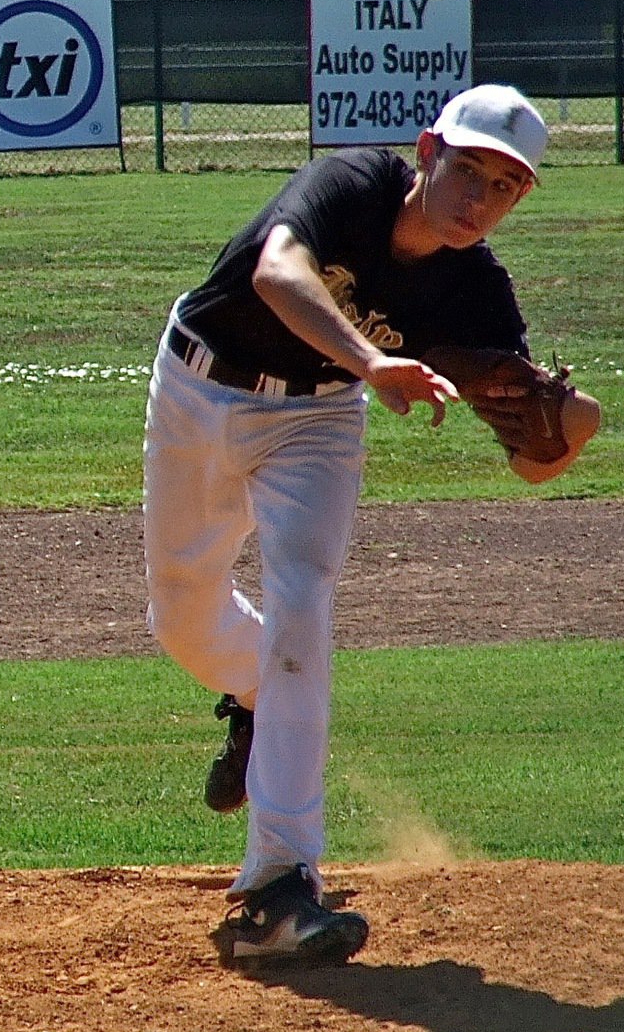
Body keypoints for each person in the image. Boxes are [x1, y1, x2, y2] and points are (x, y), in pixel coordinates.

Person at [142, 84, 588, 965]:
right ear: (428, 152)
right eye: (467, 171)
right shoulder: (352, 183)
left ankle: (279, 883)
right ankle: (256, 694)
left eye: (504, 187)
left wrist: (561, 431)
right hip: (199, 385)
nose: (478, 200)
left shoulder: (476, 291)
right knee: (184, 620)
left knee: (302, 605)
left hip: (316, 422)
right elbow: (277, 273)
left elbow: (536, 461)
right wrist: (375, 361)